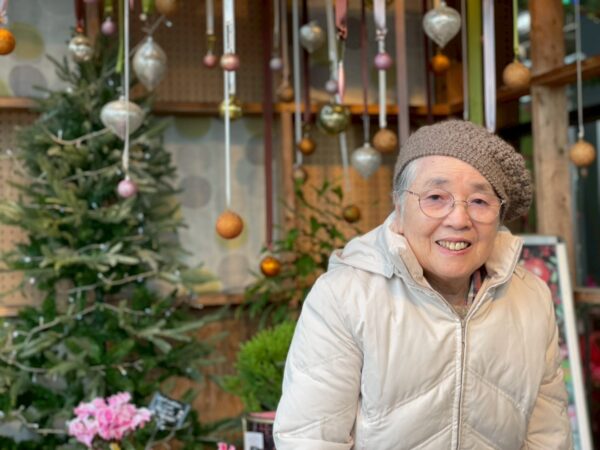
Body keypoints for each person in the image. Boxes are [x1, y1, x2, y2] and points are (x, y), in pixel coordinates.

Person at [273, 120, 572, 450]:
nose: (459, 219)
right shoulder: (344, 296)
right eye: (435, 197)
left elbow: (547, 436)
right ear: (399, 209)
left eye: (479, 201)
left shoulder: (531, 298)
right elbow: (310, 439)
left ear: (499, 217)